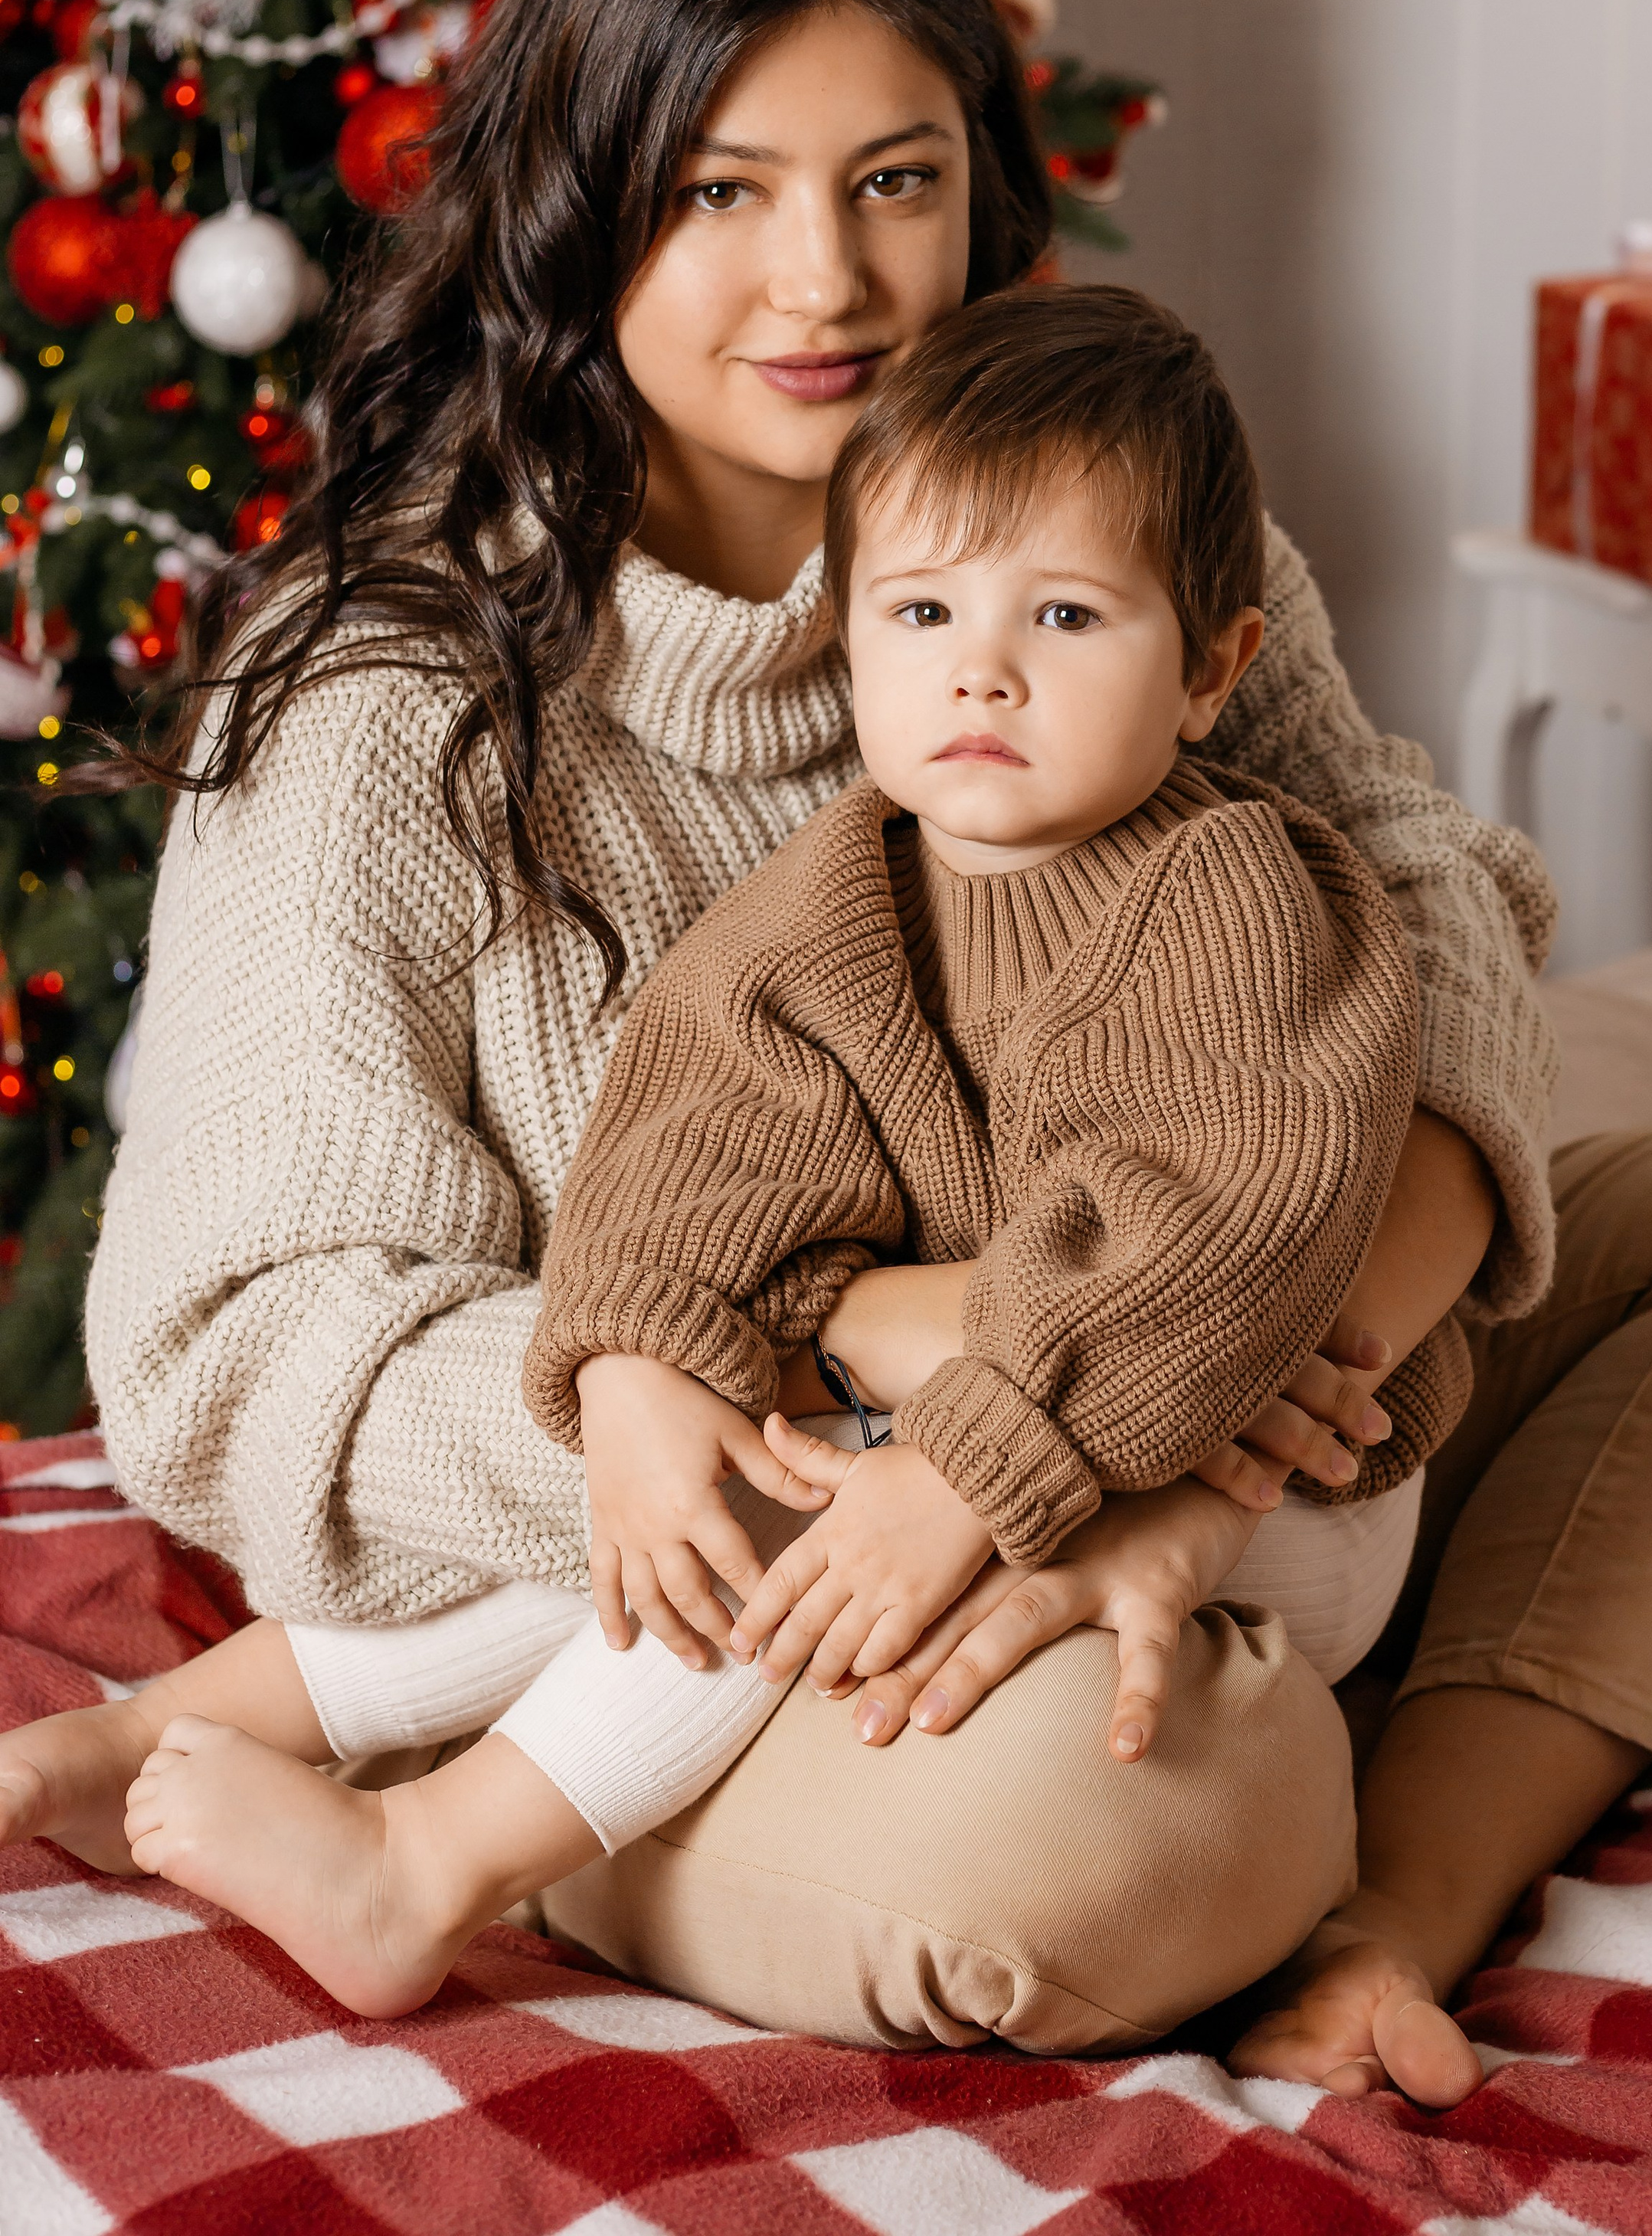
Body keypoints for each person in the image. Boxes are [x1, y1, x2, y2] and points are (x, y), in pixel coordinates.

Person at [0, 0, 1652, 2077]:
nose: (825, 279)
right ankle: (534, 1807)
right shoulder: (377, 704)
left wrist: (1251, 1388)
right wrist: (892, 1388)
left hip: (1212, 1383)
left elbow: (1418, 883)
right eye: (720, 190)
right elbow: (240, 1352)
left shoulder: (1102, 526)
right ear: (577, 205)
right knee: (1140, 1835)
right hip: (721, 1571)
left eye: (892, 180)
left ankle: (1397, 1917)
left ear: (979, 193)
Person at [108, 282, 1487, 2018]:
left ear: (1213, 668)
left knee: (805, 1502)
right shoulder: (841, 889)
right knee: (710, 1482)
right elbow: (688, 1141)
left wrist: (965, 1467)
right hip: (992, 1417)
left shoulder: (1228, 895)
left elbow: (1212, 1238)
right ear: (855, 645)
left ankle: (437, 1858)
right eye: (923, 612)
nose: (982, 666)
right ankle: (215, 1715)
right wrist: (632, 1358)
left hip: (1265, 1484)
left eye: (1062, 615)